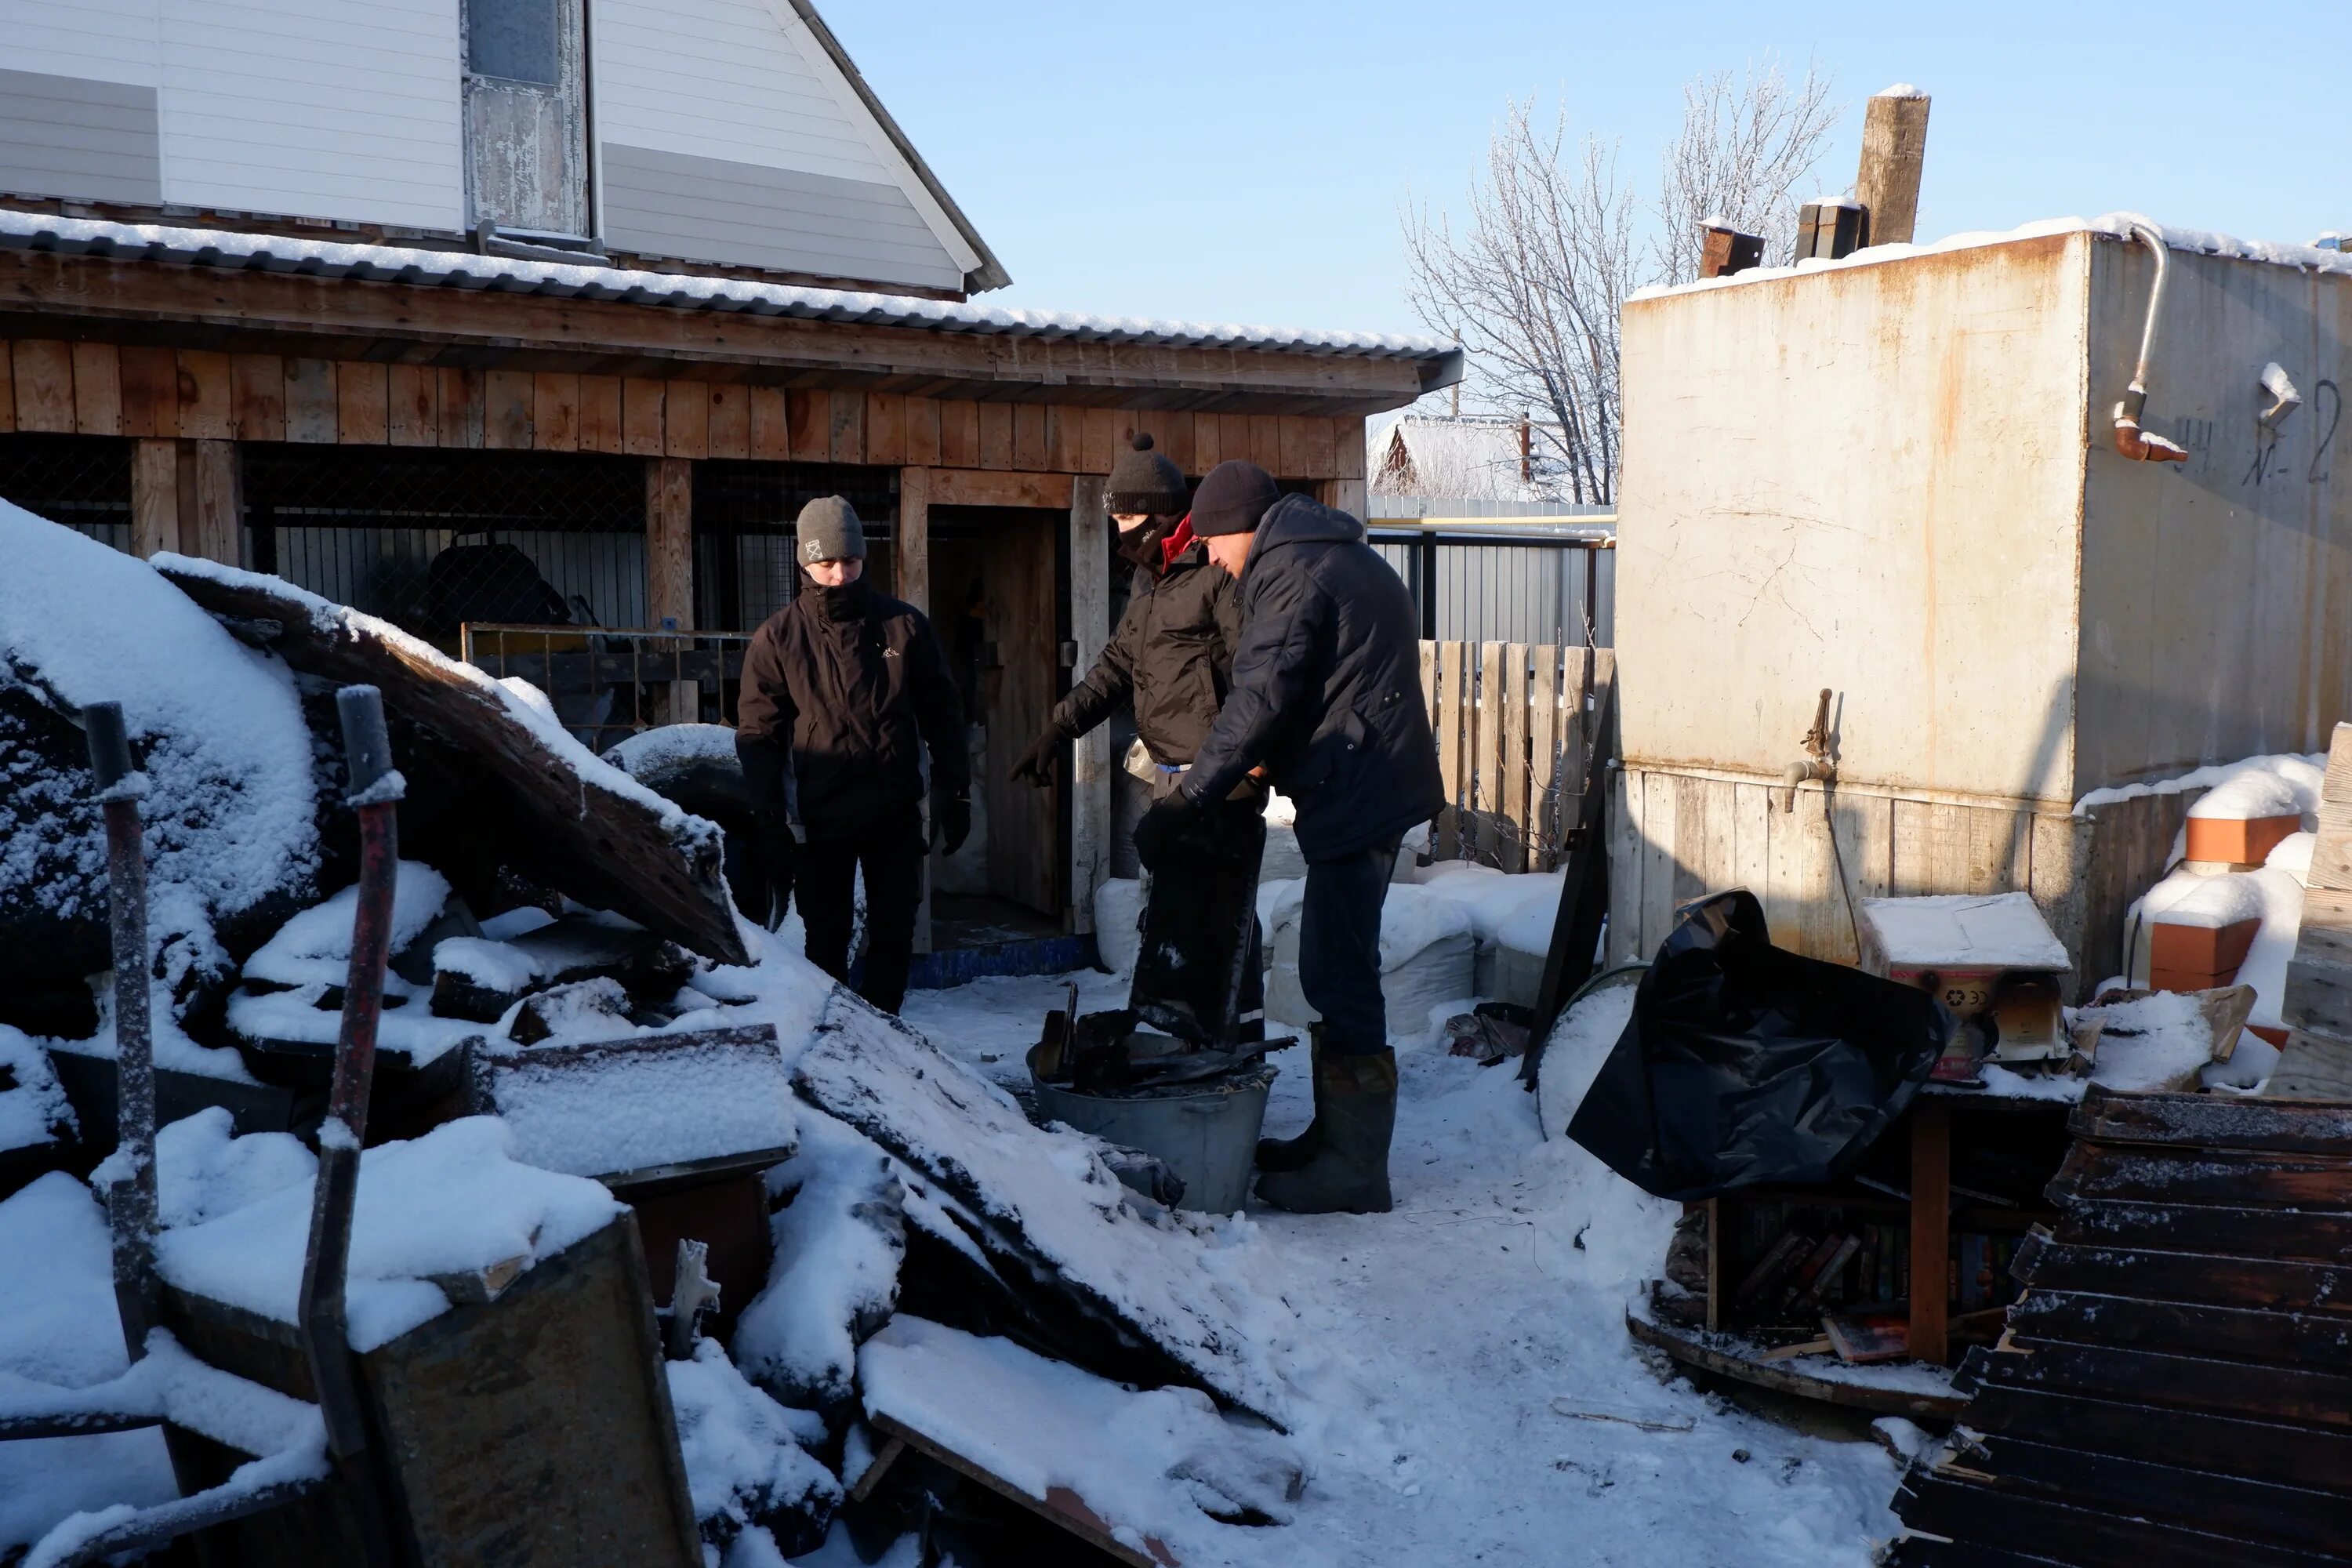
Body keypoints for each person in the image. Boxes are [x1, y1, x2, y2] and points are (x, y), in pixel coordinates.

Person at [1131, 460, 1442, 1214]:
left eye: (1212, 542)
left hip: (1360, 788)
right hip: (1363, 778)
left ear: (1239, 526)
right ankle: (1335, 1141)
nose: (1211, 559)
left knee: (1340, 971)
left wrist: (1186, 803)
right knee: (1335, 964)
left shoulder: (1291, 570)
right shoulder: (1326, 553)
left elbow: (1259, 698)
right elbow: (1310, 687)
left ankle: (1356, 1170)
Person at [1008, 432, 1266, 1043]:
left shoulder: (1215, 574)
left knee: (1220, 920)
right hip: (1171, 779)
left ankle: (1235, 1048)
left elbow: (1258, 675)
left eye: (1126, 519)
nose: (1120, 532)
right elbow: (1117, 665)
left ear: (1159, 515)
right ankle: (1188, 1045)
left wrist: (1251, 762)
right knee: (1177, 920)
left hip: (1219, 780)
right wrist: (1059, 726)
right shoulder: (1150, 584)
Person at [736, 495, 968, 1014]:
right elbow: (759, 732)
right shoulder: (778, 638)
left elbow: (942, 712)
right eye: (826, 562)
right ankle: (834, 1032)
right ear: (805, 562)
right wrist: (767, 816)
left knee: (894, 929)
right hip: (821, 817)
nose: (840, 574)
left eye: (850, 560)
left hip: (894, 811)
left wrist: (956, 790)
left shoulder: (904, 626)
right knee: (826, 935)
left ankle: (885, 1026)